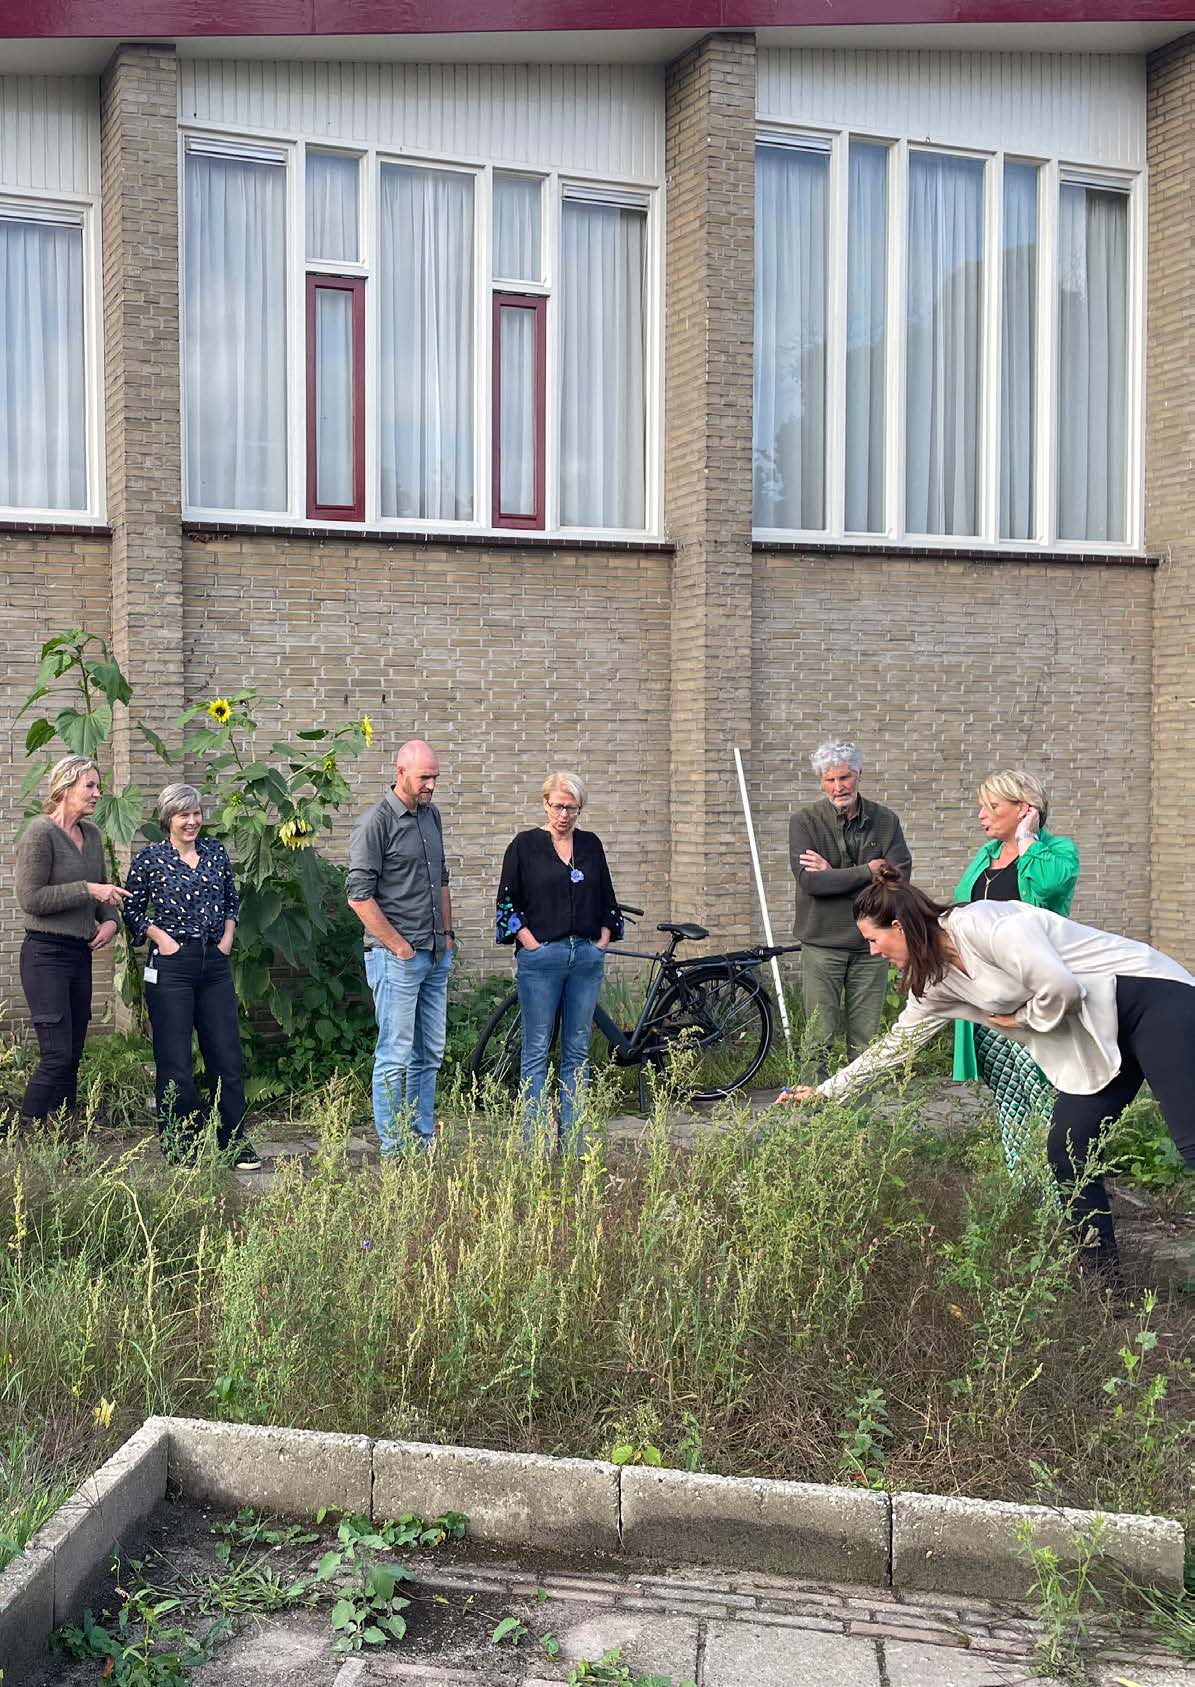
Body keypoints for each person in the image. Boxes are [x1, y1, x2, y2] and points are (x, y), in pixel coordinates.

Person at [780, 866, 1195, 1280]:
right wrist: (827, 1091)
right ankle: (1105, 1288)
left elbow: (1062, 988)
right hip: (1098, 1036)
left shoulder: (984, 924)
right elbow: (895, 1046)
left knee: (1190, 1139)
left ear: (899, 927)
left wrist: (1020, 1019)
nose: (872, 952)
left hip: (1149, 997)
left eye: (873, 939)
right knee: (1068, 1152)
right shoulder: (935, 983)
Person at [952, 770, 1080, 1174]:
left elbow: (1049, 887)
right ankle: (1020, 1186)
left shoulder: (1057, 851)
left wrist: (1027, 838)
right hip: (989, 997)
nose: (982, 815)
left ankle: (1060, 1187)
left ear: (1025, 809)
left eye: (992, 807)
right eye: (981, 807)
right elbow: (962, 909)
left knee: (1042, 1094)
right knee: (1008, 1098)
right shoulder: (986, 854)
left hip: (1031, 998)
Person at [123, 783, 256, 1168]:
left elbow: (230, 900)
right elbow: (132, 911)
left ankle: (233, 1141)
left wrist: (227, 938)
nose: (193, 821)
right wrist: (162, 940)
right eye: (184, 815)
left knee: (226, 1055)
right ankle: (181, 1145)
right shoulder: (150, 858)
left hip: (213, 962)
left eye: (196, 813)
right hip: (171, 966)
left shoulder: (215, 852)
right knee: (175, 1059)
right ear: (169, 818)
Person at [495, 772, 623, 1150]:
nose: (563, 815)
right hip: (541, 959)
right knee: (536, 1049)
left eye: (571, 808)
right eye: (557, 806)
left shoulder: (590, 845)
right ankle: (536, 1146)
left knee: (577, 1051)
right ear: (545, 803)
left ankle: (574, 1145)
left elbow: (607, 896)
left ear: (580, 809)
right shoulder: (525, 846)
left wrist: (603, 939)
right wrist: (529, 943)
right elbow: (507, 902)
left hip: (585, 956)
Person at [347, 739, 454, 1154]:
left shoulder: (431, 816)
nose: (431, 785)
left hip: (435, 953)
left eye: (435, 777)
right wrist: (399, 947)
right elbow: (359, 897)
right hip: (397, 959)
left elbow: (441, 880)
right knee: (394, 1055)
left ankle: (421, 1139)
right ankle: (394, 1148)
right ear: (401, 772)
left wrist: (447, 936)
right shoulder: (376, 823)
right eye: (424, 777)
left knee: (430, 1053)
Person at [14, 755, 127, 1127]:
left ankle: (62, 1132)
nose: (97, 793)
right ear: (65, 788)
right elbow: (31, 899)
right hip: (45, 954)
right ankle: (25, 1132)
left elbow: (103, 893)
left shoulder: (91, 835)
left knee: (73, 1053)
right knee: (56, 1055)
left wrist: (110, 922)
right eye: (89, 785)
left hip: (79, 954)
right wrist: (88, 889)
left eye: (98, 785)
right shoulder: (40, 832)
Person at [789, 740, 912, 1077]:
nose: (838, 787)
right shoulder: (804, 822)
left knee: (865, 1042)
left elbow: (898, 880)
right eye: (829, 780)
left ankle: (860, 1109)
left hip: (871, 947)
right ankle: (813, 1106)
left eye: (844, 777)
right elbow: (811, 883)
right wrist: (868, 871)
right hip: (822, 944)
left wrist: (833, 874)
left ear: (859, 774)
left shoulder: (886, 820)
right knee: (818, 1040)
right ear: (821, 781)